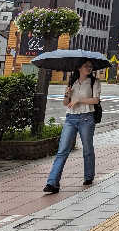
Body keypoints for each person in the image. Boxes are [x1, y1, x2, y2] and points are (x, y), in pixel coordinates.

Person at [43, 59, 101, 193]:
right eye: (86, 66)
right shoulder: (72, 82)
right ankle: (52, 183)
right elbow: (65, 103)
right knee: (62, 150)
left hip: (87, 117)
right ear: (79, 68)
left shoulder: (94, 82)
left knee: (87, 149)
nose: (89, 68)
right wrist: (67, 95)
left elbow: (96, 100)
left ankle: (88, 176)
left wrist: (79, 100)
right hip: (70, 118)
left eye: (90, 66)